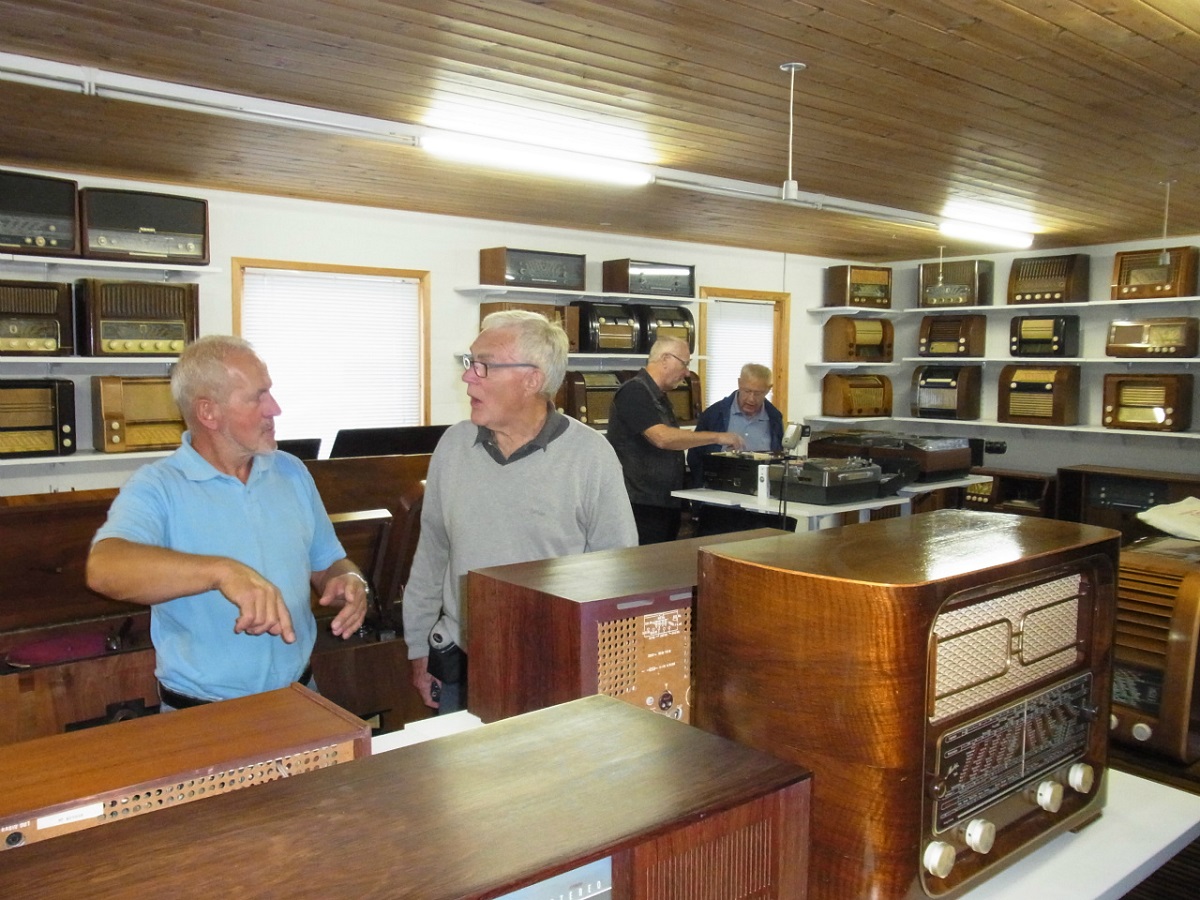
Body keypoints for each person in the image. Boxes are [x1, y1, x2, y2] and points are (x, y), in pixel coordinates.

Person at [86, 335, 369, 709]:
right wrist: (222, 572)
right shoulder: (158, 486)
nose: (275, 408)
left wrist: (349, 580)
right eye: (257, 397)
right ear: (208, 412)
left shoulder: (291, 472)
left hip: (300, 695)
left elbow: (328, 563)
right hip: (204, 712)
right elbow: (104, 568)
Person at [403, 310, 637, 714]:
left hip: (554, 667)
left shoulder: (591, 456)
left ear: (532, 380)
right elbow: (432, 554)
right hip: (462, 662)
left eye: (484, 365)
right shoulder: (453, 446)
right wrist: (418, 645)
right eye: (470, 362)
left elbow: (618, 574)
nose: (468, 376)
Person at [606, 336, 745, 544]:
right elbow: (662, 438)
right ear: (665, 359)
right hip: (641, 507)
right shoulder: (634, 392)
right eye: (685, 364)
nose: (687, 372)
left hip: (663, 504)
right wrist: (717, 436)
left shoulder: (659, 397)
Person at [686, 363, 784, 487]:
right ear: (739, 383)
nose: (751, 399)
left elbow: (779, 459)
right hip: (717, 492)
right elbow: (694, 457)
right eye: (747, 391)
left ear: (768, 389)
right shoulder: (714, 414)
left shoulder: (774, 418)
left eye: (758, 393)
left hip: (760, 493)